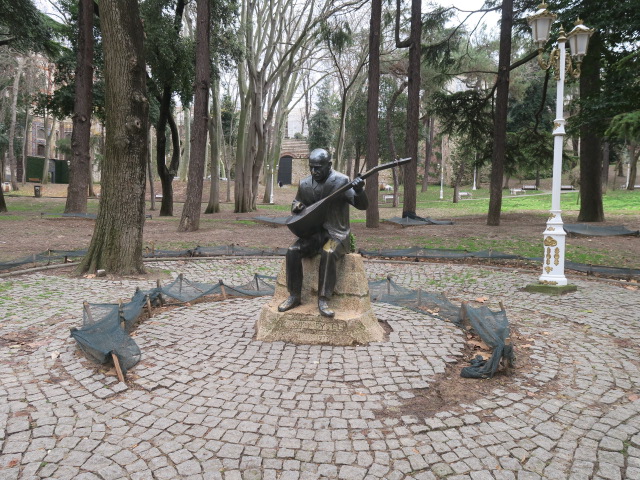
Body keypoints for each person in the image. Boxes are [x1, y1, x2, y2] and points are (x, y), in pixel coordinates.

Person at [278, 148, 368, 317]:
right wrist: (296, 206)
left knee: (329, 251)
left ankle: (323, 299)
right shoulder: (304, 183)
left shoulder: (341, 181)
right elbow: (297, 202)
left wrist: (359, 191)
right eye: (311, 167)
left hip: (336, 233)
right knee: (292, 251)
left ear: (329, 165)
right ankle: (294, 296)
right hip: (313, 234)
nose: (314, 171)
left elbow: (362, 205)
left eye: (318, 168)